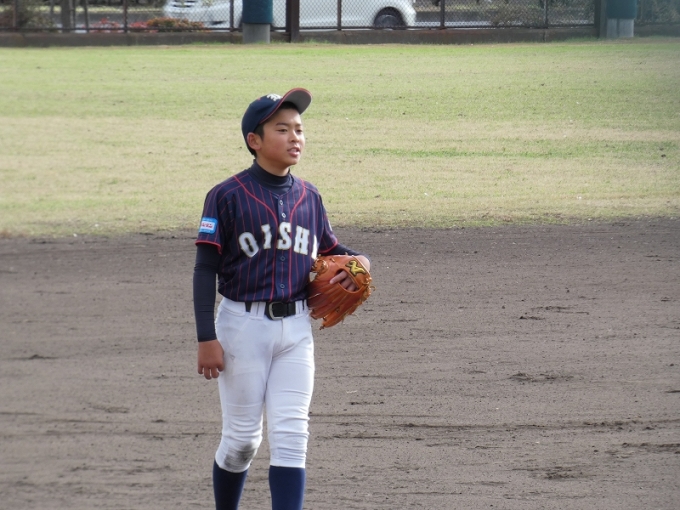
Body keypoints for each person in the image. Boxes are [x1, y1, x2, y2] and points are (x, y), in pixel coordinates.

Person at [192, 88, 370, 510]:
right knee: (242, 442)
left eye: (300, 129)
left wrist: (361, 260)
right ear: (254, 140)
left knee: (292, 437)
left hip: (296, 329)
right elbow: (204, 269)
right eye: (282, 129)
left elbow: (332, 249)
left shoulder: (310, 196)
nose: (295, 137)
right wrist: (206, 338)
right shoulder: (226, 195)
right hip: (242, 327)